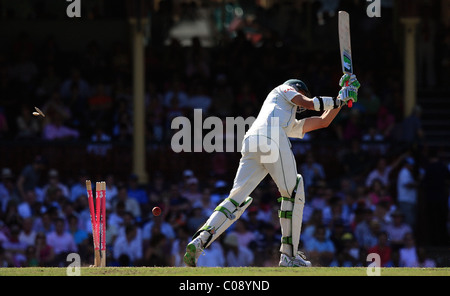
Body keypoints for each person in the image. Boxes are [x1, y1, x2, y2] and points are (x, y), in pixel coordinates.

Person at [184, 74, 360, 267]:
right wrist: (338, 99)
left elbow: (322, 122)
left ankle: (199, 241)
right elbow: (308, 103)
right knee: (294, 191)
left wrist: (343, 98)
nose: (299, 106)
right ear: (296, 88)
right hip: (271, 136)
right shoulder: (282, 90)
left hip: (253, 141)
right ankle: (289, 255)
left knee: (236, 199)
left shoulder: (285, 116)